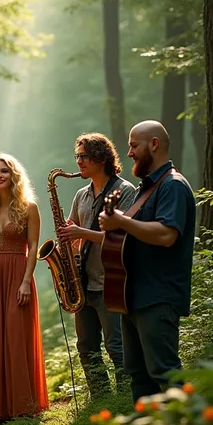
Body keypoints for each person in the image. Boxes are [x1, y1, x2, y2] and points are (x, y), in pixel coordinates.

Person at [99, 120, 196, 402]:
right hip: (134, 297)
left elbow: (166, 234)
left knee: (165, 373)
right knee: (139, 376)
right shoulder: (146, 188)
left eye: (133, 145)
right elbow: (131, 234)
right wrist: (116, 223)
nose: (128, 153)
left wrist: (121, 222)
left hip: (158, 296)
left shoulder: (173, 186)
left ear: (154, 144)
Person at [0, 153, 49, 425]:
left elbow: (34, 247)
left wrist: (26, 281)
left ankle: (23, 406)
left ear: (13, 176)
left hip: (17, 276)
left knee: (16, 336)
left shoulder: (29, 207)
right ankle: (0, 408)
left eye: (4, 171)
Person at [57, 133, 136, 397]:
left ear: (101, 158)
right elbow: (73, 233)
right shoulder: (81, 194)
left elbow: (124, 238)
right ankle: (100, 400)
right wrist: (64, 250)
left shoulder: (124, 191)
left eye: (83, 156)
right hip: (83, 282)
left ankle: (125, 401)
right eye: (77, 156)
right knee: (86, 347)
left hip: (110, 281)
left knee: (116, 347)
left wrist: (82, 234)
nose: (78, 161)